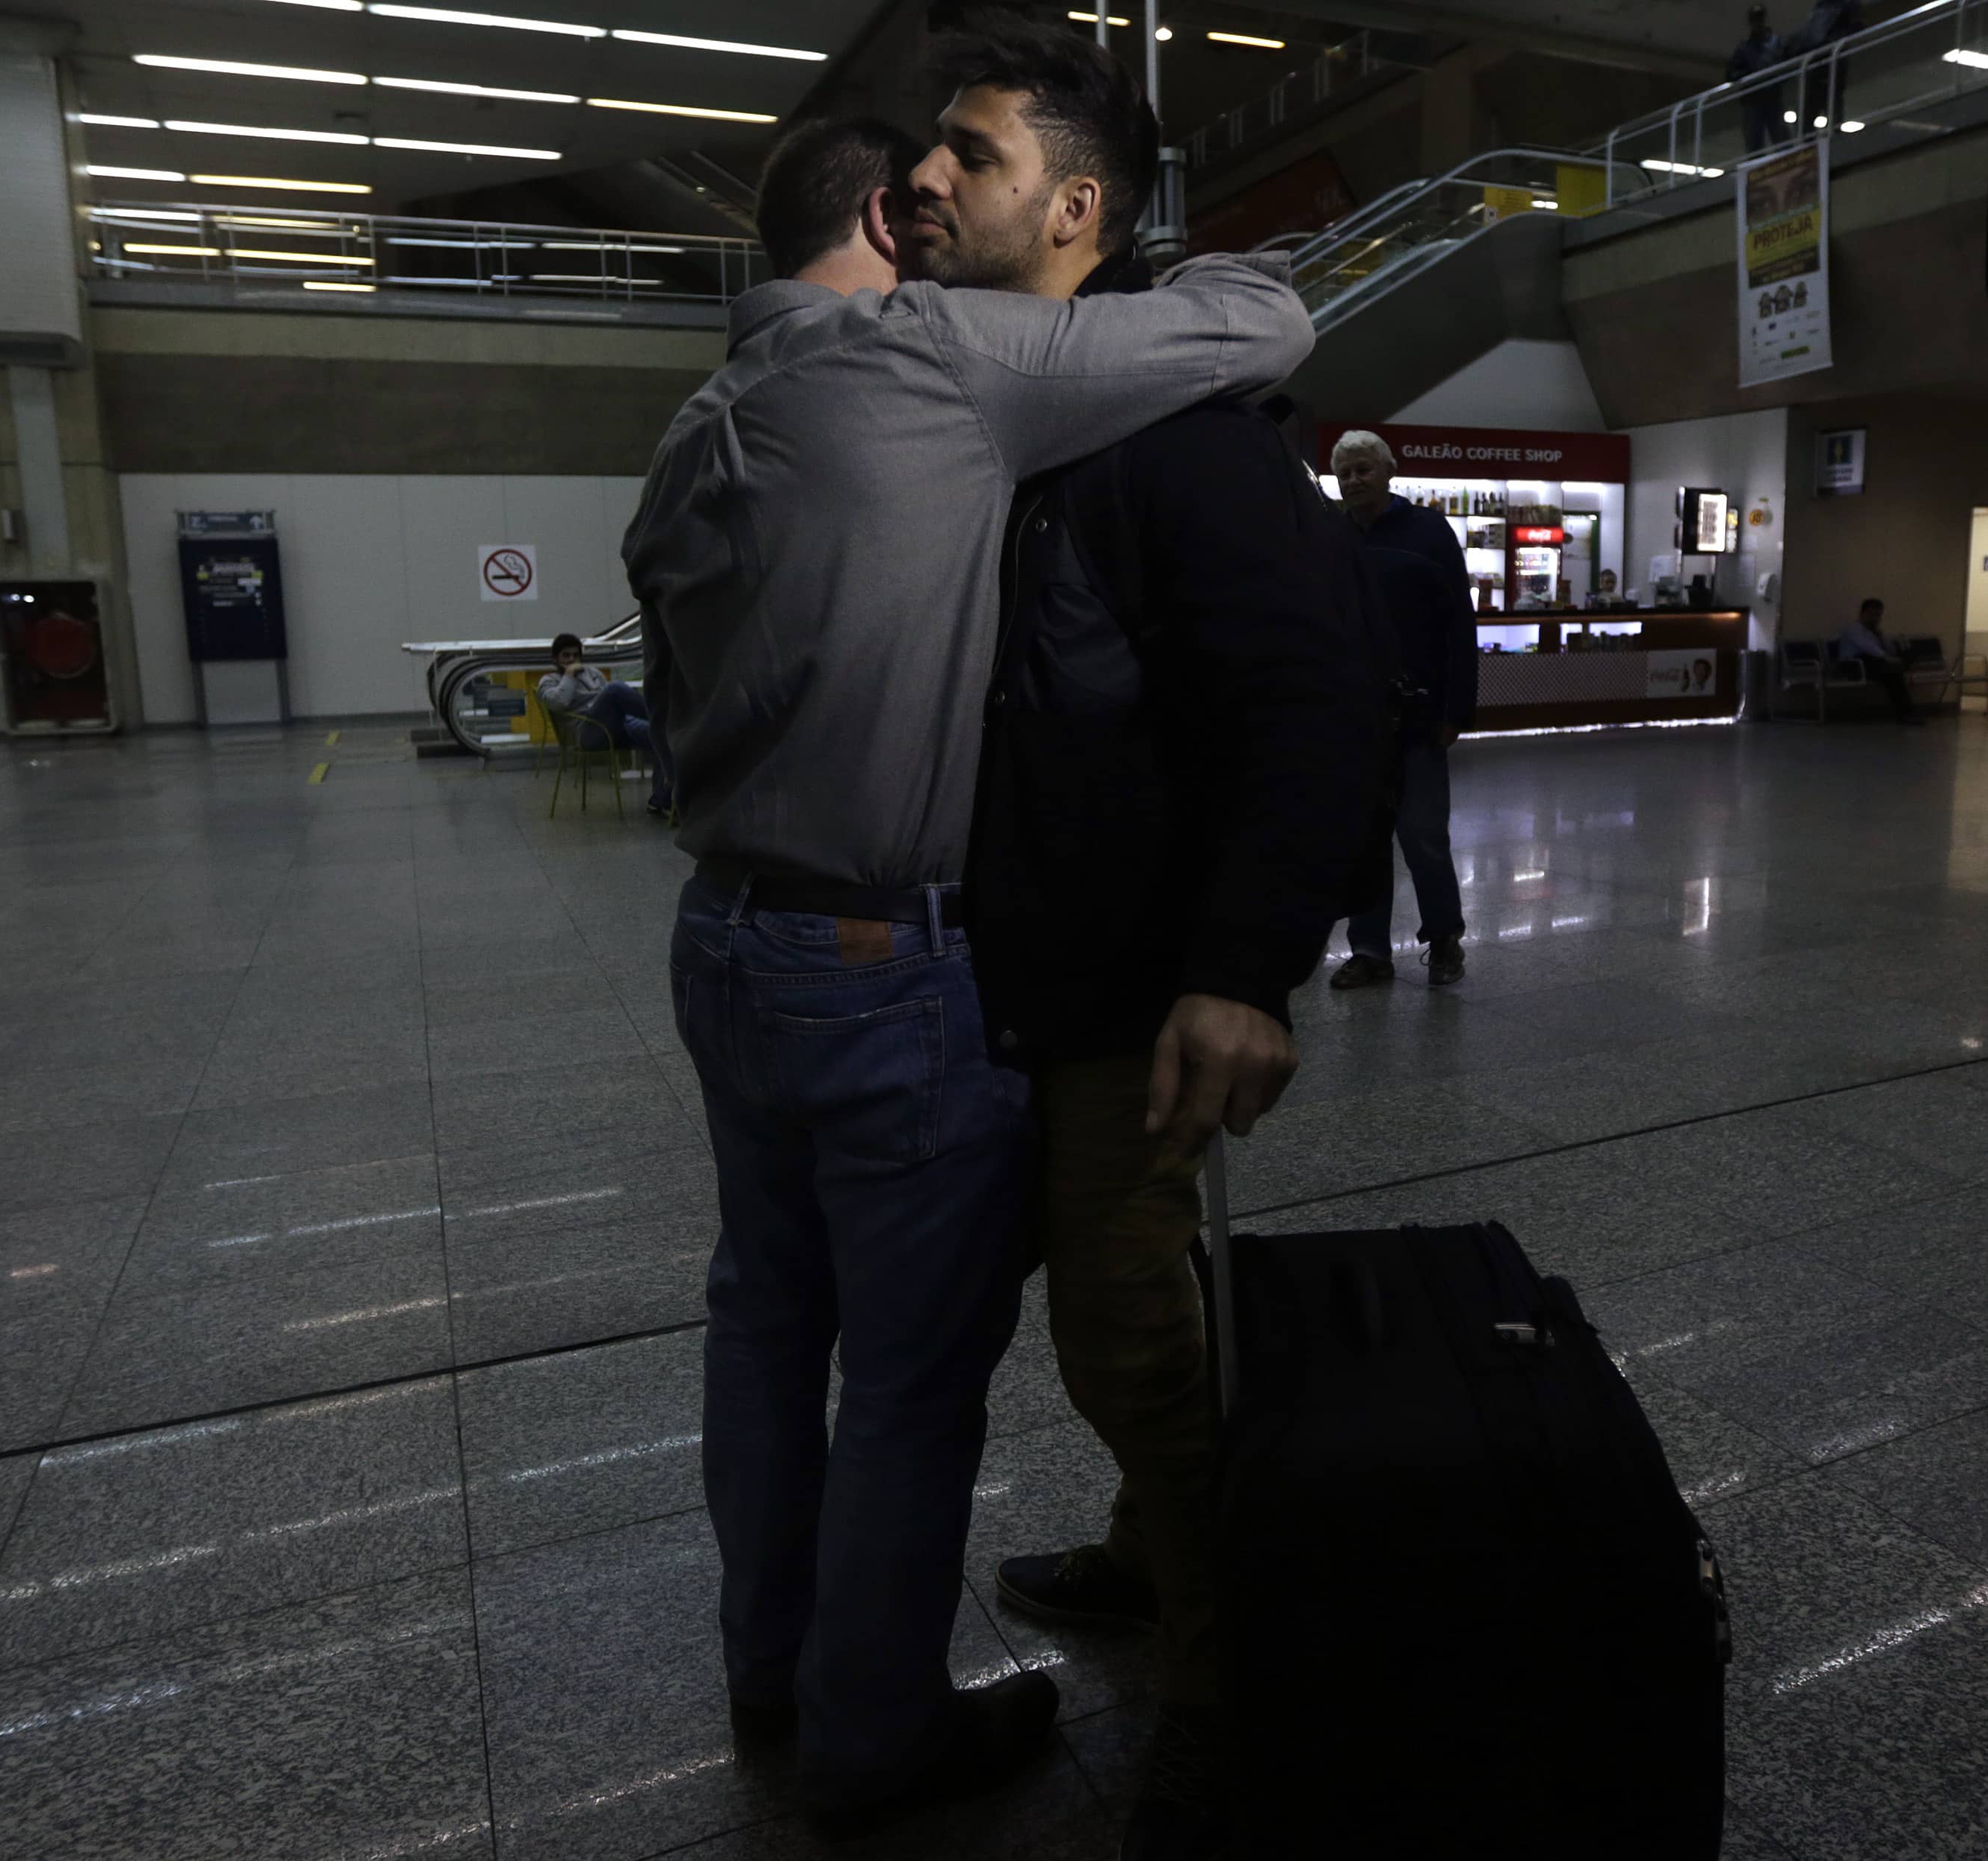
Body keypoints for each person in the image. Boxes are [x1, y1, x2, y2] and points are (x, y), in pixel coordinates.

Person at [624, 94, 1313, 1831]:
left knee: (766, 1330)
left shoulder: (701, 415)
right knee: (915, 1378)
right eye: (918, 197)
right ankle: (875, 1739)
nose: (936, 207)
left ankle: (771, 1665)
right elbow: (1271, 315)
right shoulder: (925, 360)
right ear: (882, 235)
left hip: (724, 938)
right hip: (878, 955)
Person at [920, 22, 1383, 1857]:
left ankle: (1226, 1677)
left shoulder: (1181, 442)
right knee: (1109, 1320)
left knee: (1132, 1337)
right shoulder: (1012, 426)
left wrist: (1241, 962)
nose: (931, 181)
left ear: (1076, 208)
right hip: (1012, 974)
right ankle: (1143, 1556)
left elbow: (1318, 698)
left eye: (971, 154)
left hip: (1131, 987)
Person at [1328, 430, 1475, 988]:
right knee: (1363, 838)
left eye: (1365, 469)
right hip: (1352, 720)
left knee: (1422, 835)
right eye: (1345, 473)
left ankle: (1444, 941)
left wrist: (1457, 710)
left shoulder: (1429, 533)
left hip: (1417, 716)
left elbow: (1460, 625)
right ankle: (1369, 950)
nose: (1355, 480)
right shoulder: (1331, 536)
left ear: (1389, 471)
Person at [538, 631, 669, 814]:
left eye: (576, 655)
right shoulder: (548, 681)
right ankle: (665, 718)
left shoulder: (593, 673)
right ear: (555, 658)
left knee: (661, 734)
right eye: (566, 656)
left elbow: (610, 703)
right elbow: (559, 703)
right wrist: (568, 675)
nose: (572, 659)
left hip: (618, 726)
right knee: (615, 689)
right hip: (587, 733)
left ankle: (661, 799)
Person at [1834, 597, 1918, 723]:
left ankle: (1906, 713)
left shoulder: (1875, 632)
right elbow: (1868, 647)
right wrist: (1887, 658)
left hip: (1874, 664)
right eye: (1872, 615)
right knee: (1892, 675)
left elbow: (1889, 650)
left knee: (1894, 675)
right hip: (1854, 665)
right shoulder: (1853, 630)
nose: (1875, 619)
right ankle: (1906, 713)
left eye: (1878, 615)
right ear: (1863, 614)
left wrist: (1881, 636)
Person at [1729, 5, 1788, 153]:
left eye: (1760, 19)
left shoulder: (1777, 43)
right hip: (1753, 101)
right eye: (1755, 20)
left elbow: (1787, 64)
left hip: (1772, 97)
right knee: (1754, 143)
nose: (1758, 24)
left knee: (1781, 137)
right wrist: (1750, 75)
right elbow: (1731, 74)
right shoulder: (1744, 49)